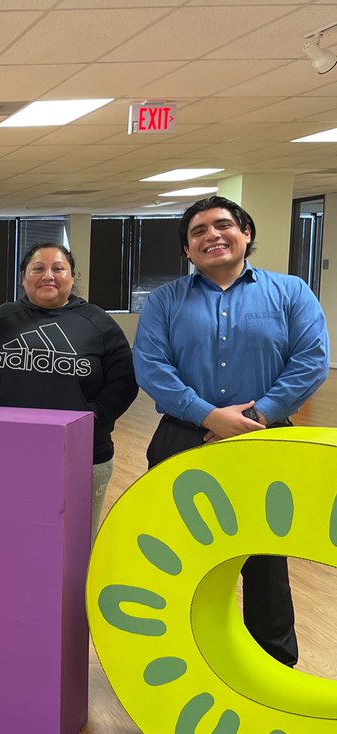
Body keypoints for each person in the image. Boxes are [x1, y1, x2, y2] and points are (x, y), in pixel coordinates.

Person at [133, 195, 328, 667]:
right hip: (183, 439)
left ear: (247, 234)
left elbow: (311, 359)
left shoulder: (291, 292)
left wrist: (257, 416)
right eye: (198, 231)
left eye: (223, 225)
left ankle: (273, 670)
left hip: (265, 442)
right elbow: (152, 366)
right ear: (186, 250)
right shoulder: (164, 300)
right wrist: (208, 415)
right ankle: (183, 662)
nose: (211, 236)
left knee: (265, 562)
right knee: (181, 559)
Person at [0, 243, 137, 538]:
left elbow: (125, 379)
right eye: (38, 269)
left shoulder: (98, 322)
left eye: (58, 268)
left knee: (73, 547)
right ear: (23, 277)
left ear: (73, 276)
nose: (48, 276)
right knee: (11, 542)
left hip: (83, 454)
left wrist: (93, 416)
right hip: (8, 455)